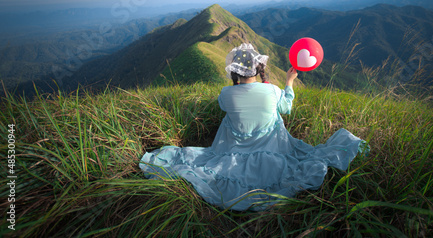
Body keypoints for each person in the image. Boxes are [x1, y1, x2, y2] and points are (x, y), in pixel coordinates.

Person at [139, 43, 368, 211]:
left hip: (232, 150)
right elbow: (286, 108)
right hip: (272, 147)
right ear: (258, 68)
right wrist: (289, 82)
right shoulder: (272, 90)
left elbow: (225, 107)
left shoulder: (225, 93)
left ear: (235, 71)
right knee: (279, 121)